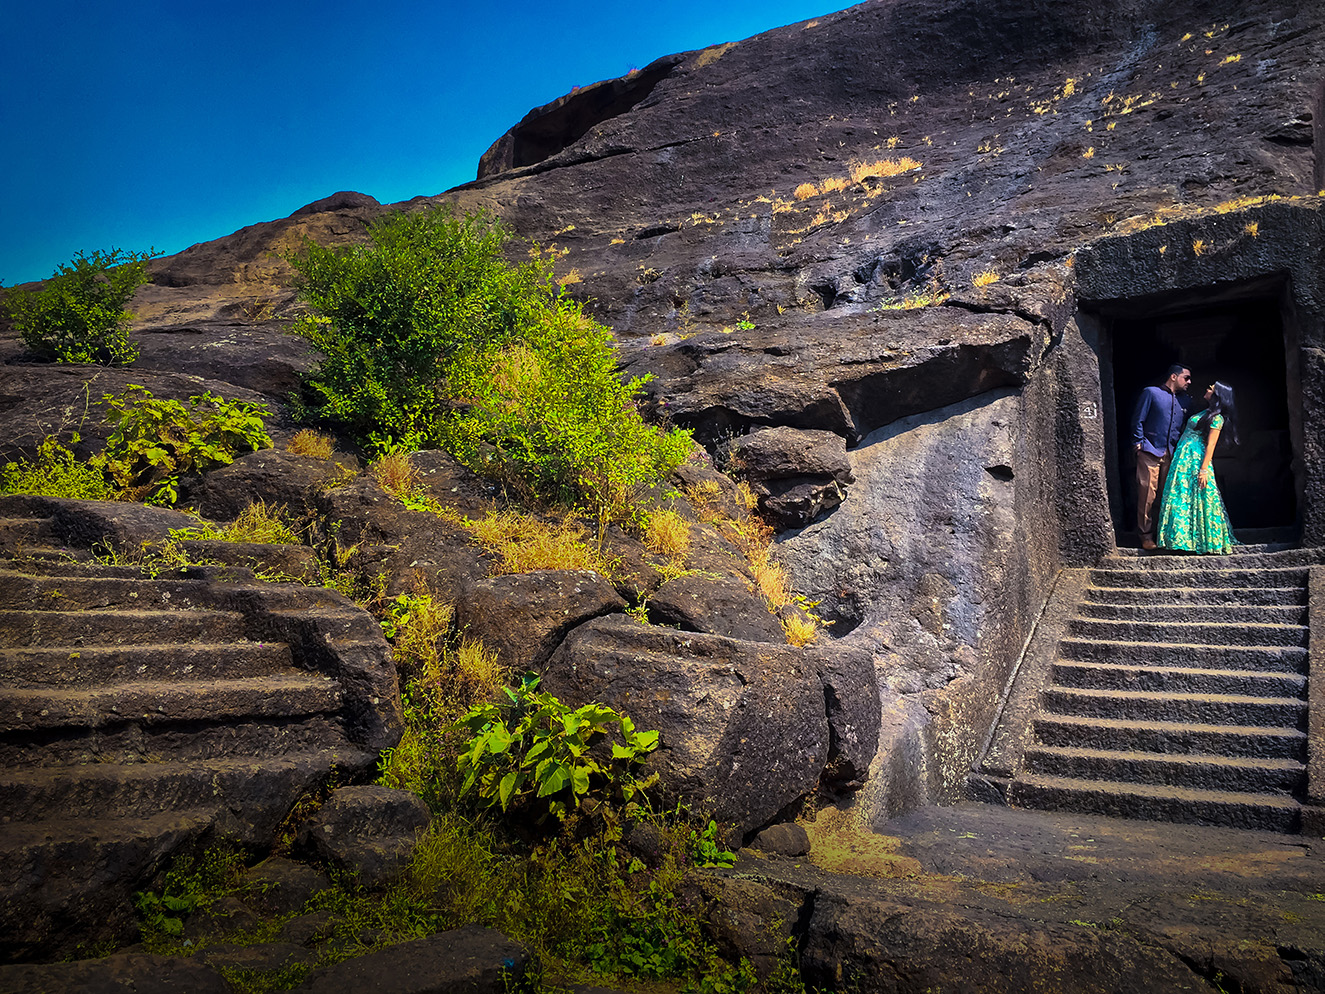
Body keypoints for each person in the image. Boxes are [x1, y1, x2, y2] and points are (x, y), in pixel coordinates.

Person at [1157, 382, 1238, 555]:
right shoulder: (1206, 413)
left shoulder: (1217, 418)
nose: (1207, 389)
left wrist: (1203, 470)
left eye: (1211, 389)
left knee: (1197, 495)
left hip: (1196, 459)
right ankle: (1180, 539)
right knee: (1181, 494)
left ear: (1218, 396)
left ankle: (1200, 540)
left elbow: (1211, 445)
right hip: (1184, 457)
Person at [1131, 364, 1191, 550]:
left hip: (1172, 454)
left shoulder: (1186, 401)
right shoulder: (1151, 393)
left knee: (1168, 496)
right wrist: (1138, 444)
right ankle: (1145, 535)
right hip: (1150, 451)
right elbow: (1138, 419)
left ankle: (1165, 535)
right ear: (1173, 376)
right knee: (1147, 494)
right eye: (1186, 378)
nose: (1190, 382)